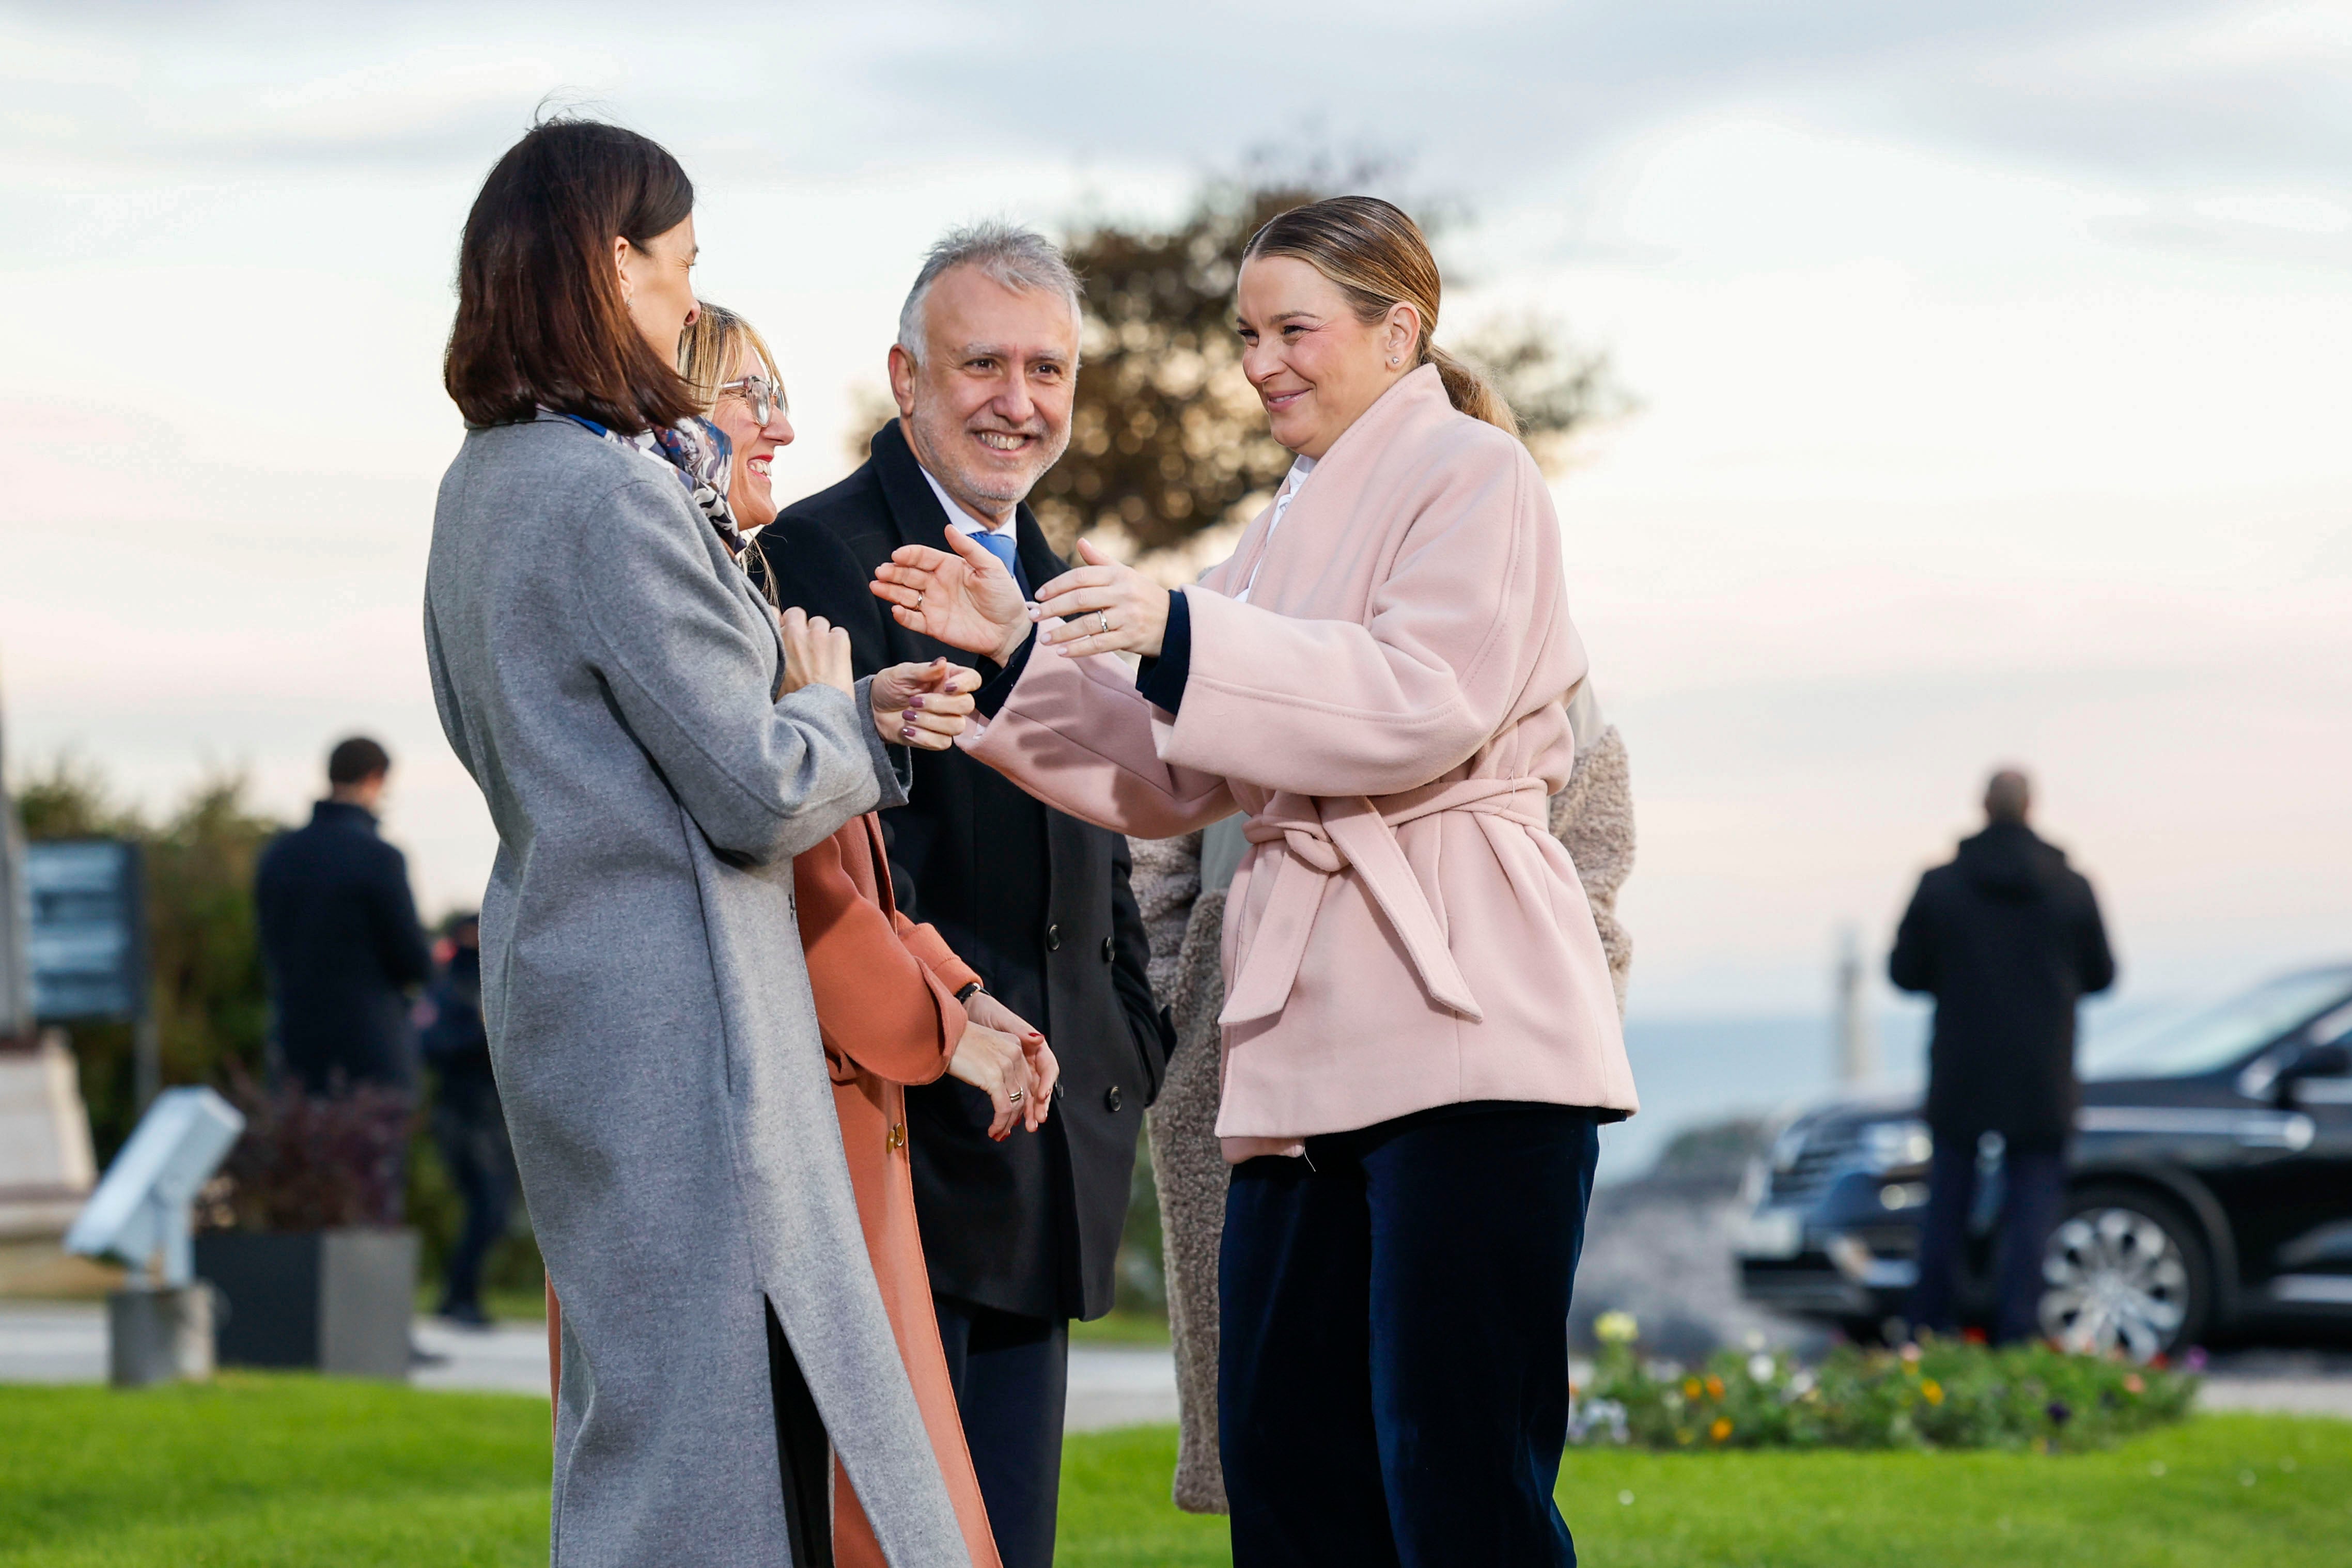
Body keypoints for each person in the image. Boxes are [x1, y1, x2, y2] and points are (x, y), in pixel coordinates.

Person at [875, 197, 1637, 1567]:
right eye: (1246, 335)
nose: (1260, 363)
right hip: (1300, 1052)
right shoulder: (1281, 527)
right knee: (1287, 1471)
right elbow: (1170, 775)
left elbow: (1423, 697)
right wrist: (1016, 657)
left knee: (1455, 1475)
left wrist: (1174, 624)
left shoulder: (1476, 478)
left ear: (1398, 329)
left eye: (1295, 329)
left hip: (1470, 1026)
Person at [424, 117, 973, 1567]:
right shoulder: (609, 494)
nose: (684, 296)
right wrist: (866, 716)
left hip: (568, 983)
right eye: (679, 265)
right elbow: (755, 786)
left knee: (643, 1412)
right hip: (681, 1011)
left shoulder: (481, 484)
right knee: (697, 1444)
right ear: (611, 265)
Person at [550, 301, 1064, 1568]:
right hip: (781, 1099)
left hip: (820, 1085)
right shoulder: (695, 589)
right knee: (824, 1496)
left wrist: (953, 984)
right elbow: (772, 859)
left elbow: (840, 861)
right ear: (662, 410)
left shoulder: (739, 576)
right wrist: (940, 1017)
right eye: (743, 398)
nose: (779, 423)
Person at [753, 224, 1174, 1568]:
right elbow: (826, 854)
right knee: (887, 1535)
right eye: (981, 361)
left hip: (1052, 1134)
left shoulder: (1069, 581)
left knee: (1014, 1538)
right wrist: (950, 1031)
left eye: (1047, 367)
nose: (1018, 398)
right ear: (906, 376)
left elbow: (1113, 830)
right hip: (901, 1129)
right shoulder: (815, 559)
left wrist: (1126, 1032)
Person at [1130, 679, 1638, 1514]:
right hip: (1252, 1032)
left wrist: (1558, 1009)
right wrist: (1175, 1005)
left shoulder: (1520, 627)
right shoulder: (1238, 605)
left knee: (1451, 1451)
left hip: (1476, 1044)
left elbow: (1593, 854)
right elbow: (1150, 836)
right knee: (1285, 1448)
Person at [1892, 767, 2116, 1345]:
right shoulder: (2070, 888)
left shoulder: (1939, 885)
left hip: (1961, 1070)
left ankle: (1927, 1328)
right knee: (2031, 1215)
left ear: (1982, 807)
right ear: (2031, 807)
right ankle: (2015, 1333)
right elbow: (2102, 974)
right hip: (2041, 1074)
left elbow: (1902, 972)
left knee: (1945, 1206)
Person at [254, 736, 433, 1098]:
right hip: (370, 1047)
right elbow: (412, 959)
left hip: (296, 1043)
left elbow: (269, 945)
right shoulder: (379, 858)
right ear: (375, 779)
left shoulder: (278, 856)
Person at [417, 913, 511, 1327]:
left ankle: (459, 1296)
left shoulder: (493, 979)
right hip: (461, 1115)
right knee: (486, 1208)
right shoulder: (448, 988)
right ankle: (459, 1298)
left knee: (492, 1212)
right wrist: (484, 1034)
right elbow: (431, 1045)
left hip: (491, 1117)